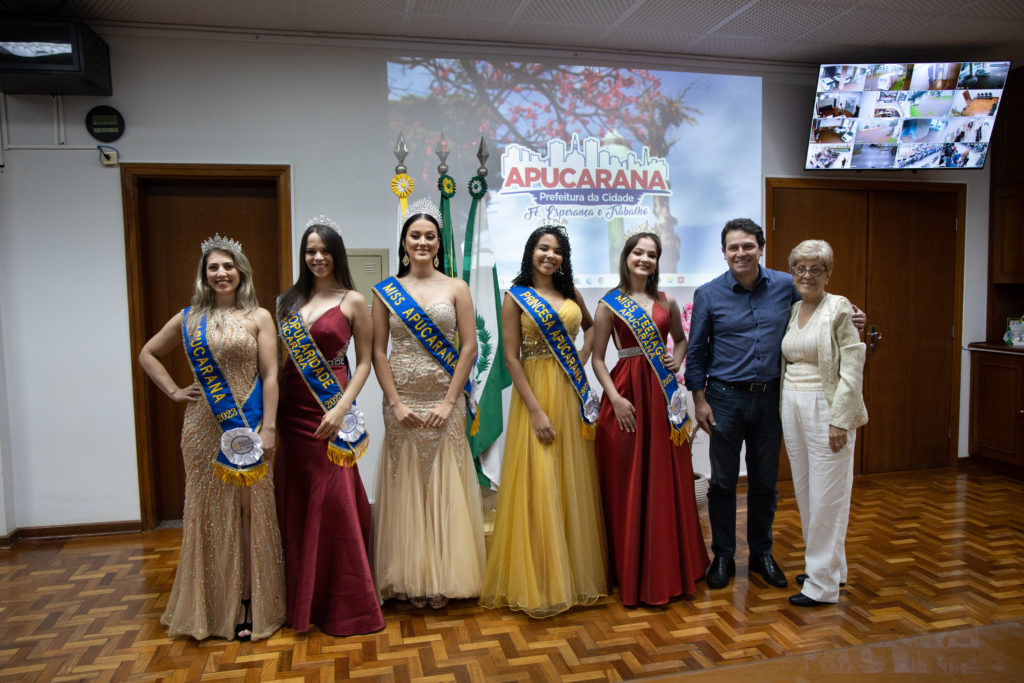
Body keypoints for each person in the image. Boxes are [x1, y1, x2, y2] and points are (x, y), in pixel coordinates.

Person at [685, 219, 865, 591]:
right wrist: (699, 399)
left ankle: (761, 553)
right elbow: (697, 350)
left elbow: (823, 308)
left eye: (748, 246)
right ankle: (722, 554)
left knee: (765, 481)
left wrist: (855, 314)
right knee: (722, 482)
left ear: (761, 248)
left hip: (771, 398)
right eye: (733, 247)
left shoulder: (786, 284)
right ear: (723, 252)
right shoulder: (708, 294)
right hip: (723, 398)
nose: (740, 253)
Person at [138, 235, 285, 641]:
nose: (221, 273)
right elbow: (148, 353)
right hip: (203, 428)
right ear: (204, 275)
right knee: (208, 513)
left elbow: (271, 375)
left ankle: (251, 599)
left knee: (249, 511)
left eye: (228, 266)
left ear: (241, 272)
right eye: (213, 268)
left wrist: (269, 426)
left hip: (251, 427)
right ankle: (213, 605)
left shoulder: (259, 316)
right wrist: (173, 391)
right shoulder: (188, 318)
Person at [480, 225, 607, 618]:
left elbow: (591, 328)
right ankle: (538, 579)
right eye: (543, 248)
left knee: (570, 480)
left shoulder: (571, 295)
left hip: (569, 392)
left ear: (564, 258)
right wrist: (535, 410)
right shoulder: (515, 297)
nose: (549, 255)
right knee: (538, 481)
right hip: (533, 397)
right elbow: (511, 358)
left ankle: (570, 572)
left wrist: (582, 358)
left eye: (557, 251)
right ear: (531, 252)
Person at [371, 198, 485, 610]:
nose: (422, 242)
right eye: (415, 235)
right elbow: (377, 353)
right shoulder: (386, 291)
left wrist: (451, 400)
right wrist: (395, 403)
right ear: (404, 242)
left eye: (430, 236)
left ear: (439, 243)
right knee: (407, 484)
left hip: (445, 400)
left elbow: (469, 346)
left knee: (445, 481)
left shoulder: (457, 287)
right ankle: (406, 575)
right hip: (401, 402)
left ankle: (444, 574)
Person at [274, 216, 384, 636]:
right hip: (291, 406)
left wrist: (341, 406)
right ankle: (302, 599)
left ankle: (347, 603)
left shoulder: (354, 300)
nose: (317, 257)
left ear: (337, 254)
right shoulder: (286, 301)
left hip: (330, 405)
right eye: (310, 250)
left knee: (334, 495)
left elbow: (365, 362)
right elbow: (276, 362)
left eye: (324, 250)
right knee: (298, 496)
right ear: (304, 256)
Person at [591, 232, 710, 606]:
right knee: (628, 479)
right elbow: (597, 359)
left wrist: (677, 356)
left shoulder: (666, 300)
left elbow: (679, 339)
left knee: (665, 479)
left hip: (661, 397)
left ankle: (668, 568)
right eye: (638, 253)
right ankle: (630, 570)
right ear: (626, 257)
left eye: (652, 255)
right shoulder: (608, 304)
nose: (645, 259)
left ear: (658, 261)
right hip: (627, 396)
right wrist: (615, 398)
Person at [781, 240, 867, 607]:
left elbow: (852, 366)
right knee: (806, 492)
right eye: (800, 268)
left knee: (828, 496)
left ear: (828, 274)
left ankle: (821, 586)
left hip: (826, 406)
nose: (807, 275)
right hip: (792, 403)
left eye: (816, 269)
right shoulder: (794, 308)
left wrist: (840, 420)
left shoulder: (839, 307)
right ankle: (830, 568)